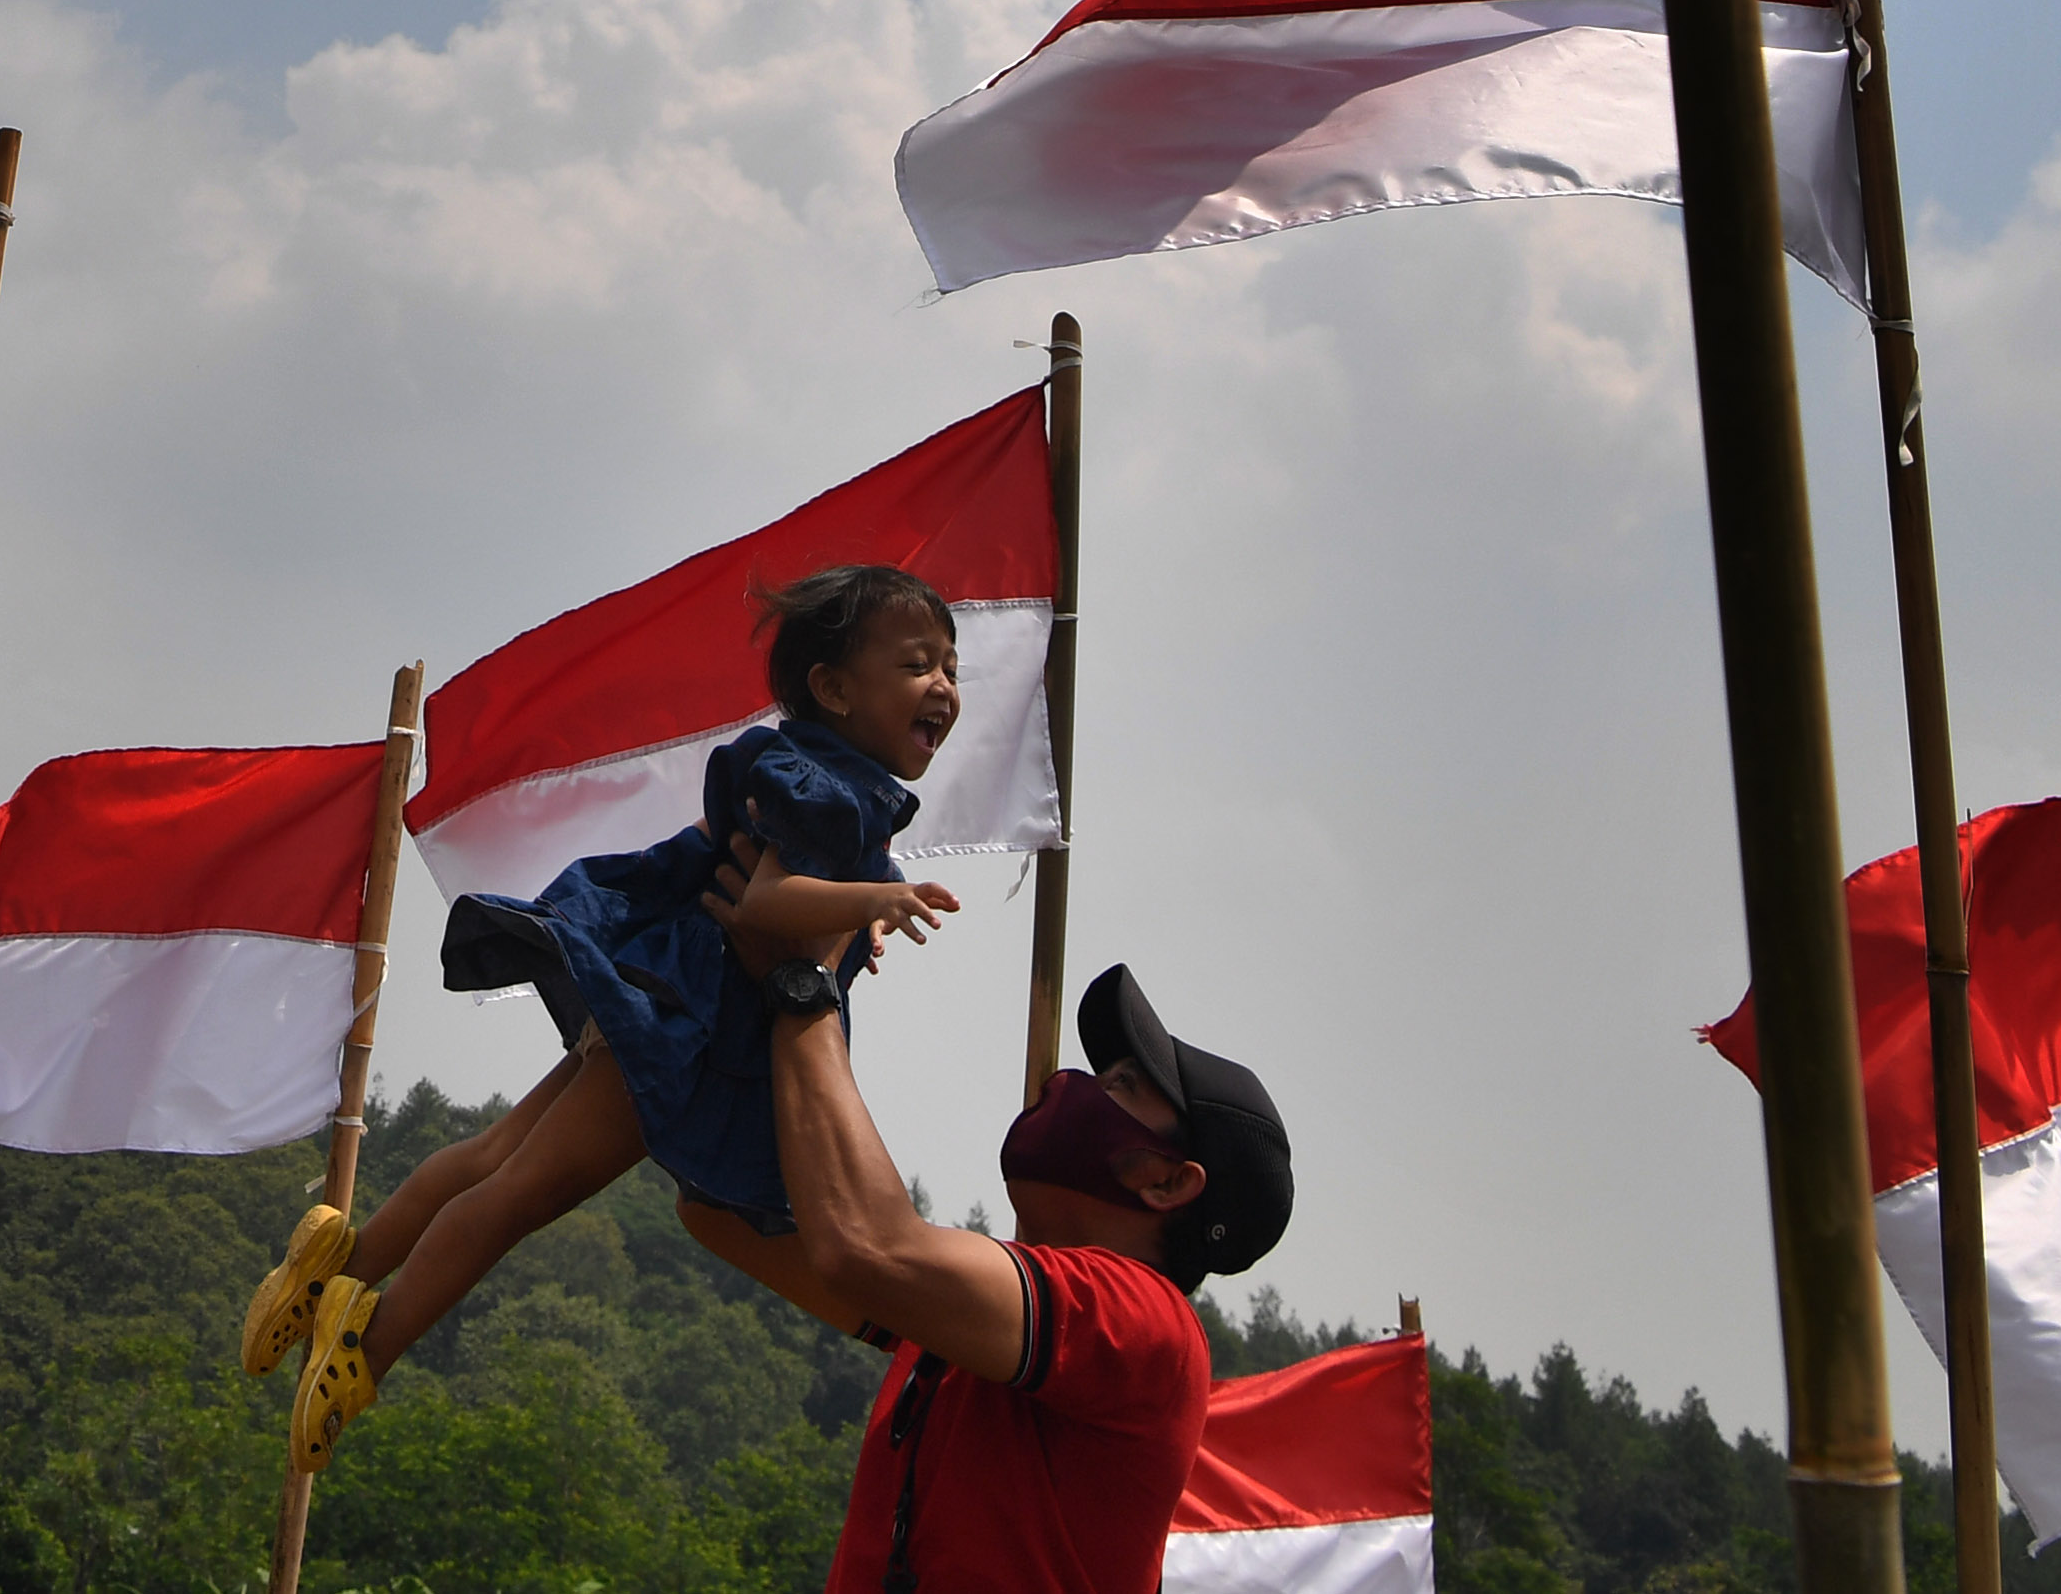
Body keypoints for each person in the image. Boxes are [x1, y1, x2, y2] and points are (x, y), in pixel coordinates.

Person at [239, 564, 972, 1475]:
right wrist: (878, 898)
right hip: (687, 1025)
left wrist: (859, 915)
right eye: (917, 663)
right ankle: (366, 1350)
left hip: (659, 986)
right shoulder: (836, 791)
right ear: (833, 687)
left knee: (495, 1154)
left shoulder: (814, 774)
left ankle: (328, 1270)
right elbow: (767, 899)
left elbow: (780, 882)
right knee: (523, 1190)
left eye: (951, 667)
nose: (944, 685)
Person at [689, 912, 1294, 1594]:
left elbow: (864, 1247)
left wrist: (805, 979)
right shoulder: (976, 1320)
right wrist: (728, 982)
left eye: (1122, 1086)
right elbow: (720, 1210)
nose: (1076, 1085)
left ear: (1169, 1182)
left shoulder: (1148, 1325)